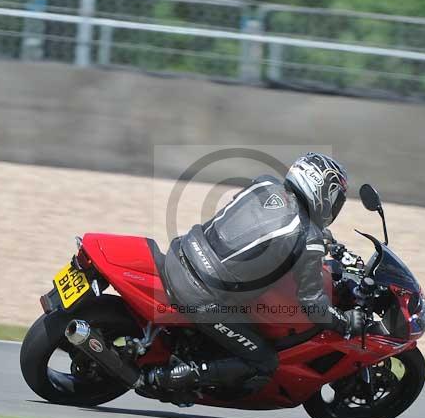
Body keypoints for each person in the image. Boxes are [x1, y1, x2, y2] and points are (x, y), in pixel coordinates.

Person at [152, 152, 366, 392]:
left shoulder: (265, 184)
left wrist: (323, 241)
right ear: (322, 191)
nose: (335, 205)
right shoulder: (308, 238)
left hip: (181, 253)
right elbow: (313, 303)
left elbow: (261, 224)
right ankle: (168, 378)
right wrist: (344, 321)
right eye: (335, 198)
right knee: (265, 361)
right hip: (202, 296)